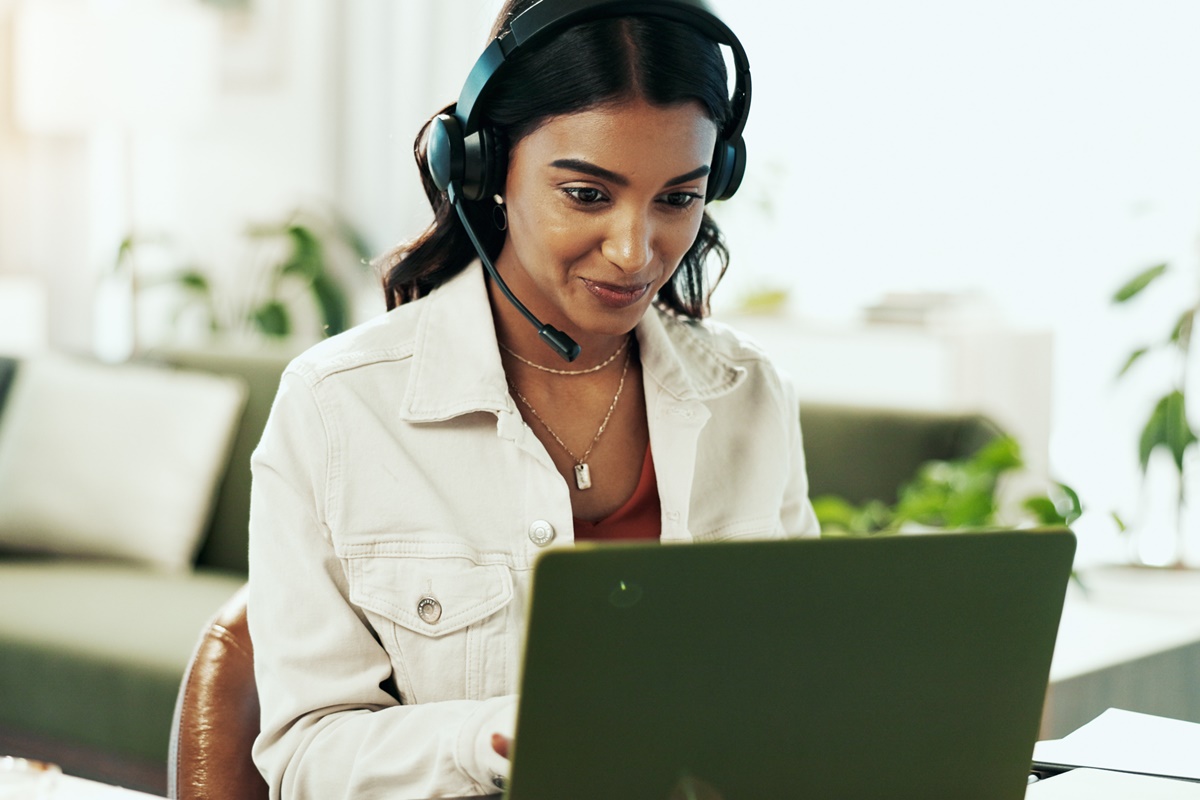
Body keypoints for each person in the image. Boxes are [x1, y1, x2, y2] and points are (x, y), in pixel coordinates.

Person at [247, 0, 819, 797]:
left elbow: (800, 691)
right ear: (484, 168)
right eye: (587, 194)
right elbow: (306, 754)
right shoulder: (335, 409)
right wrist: (488, 736)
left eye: (678, 199)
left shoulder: (749, 396)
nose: (634, 250)